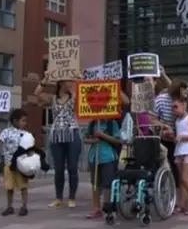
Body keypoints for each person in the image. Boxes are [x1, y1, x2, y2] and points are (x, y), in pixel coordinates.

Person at [34, 72, 129, 208]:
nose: (71, 83)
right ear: (61, 82)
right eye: (68, 81)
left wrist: (104, 83)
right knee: (59, 169)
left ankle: (72, 197)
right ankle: (59, 198)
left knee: (73, 167)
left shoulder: (75, 98)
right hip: (56, 136)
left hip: (72, 134)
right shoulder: (53, 99)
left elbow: (96, 95)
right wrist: (45, 79)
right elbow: (37, 93)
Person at [153, 79, 188, 209]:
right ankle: (166, 198)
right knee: (166, 168)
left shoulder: (185, 100)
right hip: (163, 138)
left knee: (180, 171)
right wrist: (164, 127)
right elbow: (152, 118)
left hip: (180, 139)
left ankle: (180, 201)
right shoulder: (161, 99)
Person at [83, 118, 121, 219]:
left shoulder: (111, 123)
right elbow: (84, 138)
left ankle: (107, 206)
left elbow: (117, 140)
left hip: (108, 157)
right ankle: (96, 208)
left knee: (108, 184)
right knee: (95, 184)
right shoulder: (92, 123)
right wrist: (93, 140)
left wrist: (103, 135)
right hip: (94, 157)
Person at [0, 108, 30, 216]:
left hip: (21, 164)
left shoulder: (25, 134)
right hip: (9, 163)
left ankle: (24, 206)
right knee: (9, 187)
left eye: (26, 121)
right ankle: (9, 206)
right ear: (15, 121)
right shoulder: (6, 132)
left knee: (23, 186)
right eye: (23, 121)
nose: (25, 123)